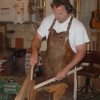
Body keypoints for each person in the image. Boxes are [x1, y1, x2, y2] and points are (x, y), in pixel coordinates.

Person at [30, 0, 90, 99]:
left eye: (60, 13)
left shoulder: (77, 27)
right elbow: (37, 38)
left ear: (69, 10)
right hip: (48, 71)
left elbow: (82, 52)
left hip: (67, 74)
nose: (56, 16)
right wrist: (34, 52)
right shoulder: (48, 21)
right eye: (55, 13)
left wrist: (65, 70)